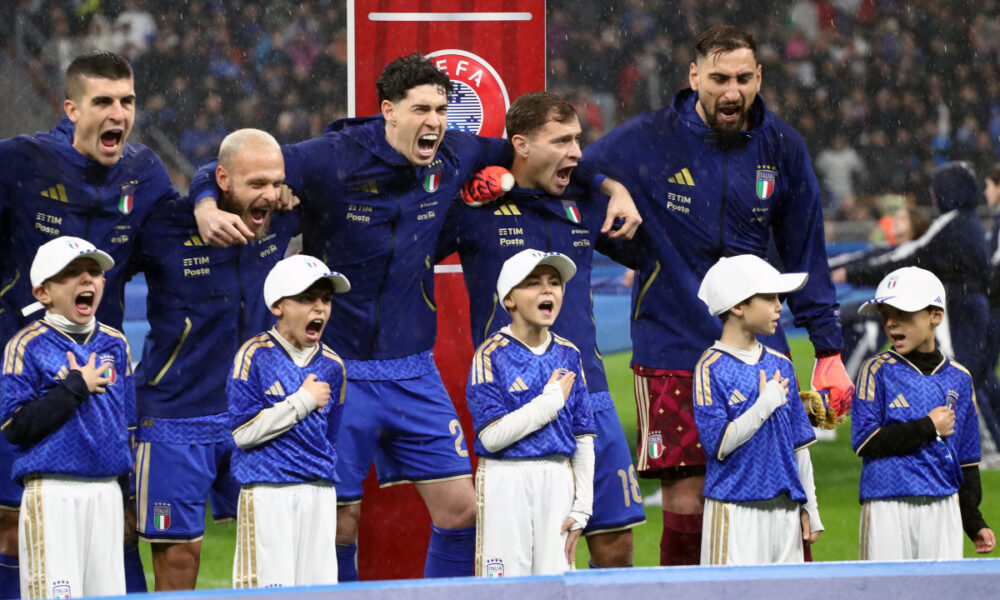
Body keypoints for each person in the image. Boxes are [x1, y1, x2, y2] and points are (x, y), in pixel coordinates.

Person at [190, 54, 639, 580]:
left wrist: (613, 186)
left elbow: (543, 153)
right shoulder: (333, 157)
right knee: (338, 521)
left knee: (463, 512)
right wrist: (204, 202)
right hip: (342, 370)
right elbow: (243, 160)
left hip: (414, 372)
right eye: (421, 109)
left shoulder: (457, 152)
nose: (434, 121)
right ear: (389, 112)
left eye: (442, 109)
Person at [581, 25, 851, 565]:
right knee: (687, 504)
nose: (732, 91)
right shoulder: (649, 137)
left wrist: (828, 350)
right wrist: (627, 221)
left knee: (778, 489)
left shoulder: (782, 146)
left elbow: (805, 253)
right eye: (720, 78)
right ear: (694, 77)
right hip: (672, 340)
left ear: (760, 77)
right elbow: (574, 175)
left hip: (758, 352)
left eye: (744, 78)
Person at [0, 49, 182, 595]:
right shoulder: (21, 162)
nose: (118, 114)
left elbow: (174, 226)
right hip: (24, 368)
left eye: (126, 101)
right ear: (71, 108)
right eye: (103, 101)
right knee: (10, 523)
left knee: (119, 522)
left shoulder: (144, 171)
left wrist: (204, 198)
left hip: (104, 371)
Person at [437, 92, 645, 568]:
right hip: (515, 400)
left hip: (588, 393)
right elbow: (412, 244)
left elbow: (600, 180)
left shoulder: (588, 202)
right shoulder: (473, 206)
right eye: (562, 140)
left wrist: (614, 187)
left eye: (578, 139)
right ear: (522, 145)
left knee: (615, 544)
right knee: (526, 554)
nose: (576, 151)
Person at [130, 129, 298, 590]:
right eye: (256, 184)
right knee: (179, 557)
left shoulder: (280, 217)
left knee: (271, 551)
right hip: (174, 417)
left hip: (254, 416)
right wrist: (202, 203)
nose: (269, 194)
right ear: (223, 179)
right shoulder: (164, 224)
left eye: (275, 182)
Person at [831, 161, 1000, 449]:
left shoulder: (953, 223)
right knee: (978, 376)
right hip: (975, 305)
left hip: (962, 308)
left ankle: (983, 447)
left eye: (937, 190)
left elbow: (910, 255)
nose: (933, 196)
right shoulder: (969, 222)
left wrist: (853, 273)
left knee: (963, 376)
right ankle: (984, 442)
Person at [0, 237, 133, 597]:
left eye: (94, 272)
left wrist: (128, 495)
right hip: (52, 492)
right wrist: (76, 386)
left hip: (106, 493)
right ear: (44, 293)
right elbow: (14, 426)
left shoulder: (116, 343)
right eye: (71, 274)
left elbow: (127, 423)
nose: (87, 280)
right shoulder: (26, 345)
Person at [852, 266, 995, 559]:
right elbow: (865, 440)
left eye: (903, 314)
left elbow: (967, 459)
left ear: (935, 316)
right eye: (886, 314)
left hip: (944, 506)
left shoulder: (960, 377)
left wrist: (973, 519)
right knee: (885, 591)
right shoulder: (875, 370)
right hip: (885, 504)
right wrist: (928, 426)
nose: (891, 323)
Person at [467, 249, 594, 576]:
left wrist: (583, 507)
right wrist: (549, 402)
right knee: (505, 592)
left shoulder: (569, 353)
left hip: (557, 481)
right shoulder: (490, 355)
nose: (548, 290)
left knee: (556, 589)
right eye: (534, 283)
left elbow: (582, 435)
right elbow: (492, 437)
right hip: (504, 481)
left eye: (554, 282)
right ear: (509, 299)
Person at [228, 255, 349, 587]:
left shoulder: (334, 366)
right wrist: (302, 401)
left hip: (319, 494)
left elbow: (329, 438)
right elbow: (242, 433)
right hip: (268, 495)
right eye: (307, 298)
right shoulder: (254, 355)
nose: (320, 308)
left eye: (326, 299)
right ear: (278, 306)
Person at [693, 255, 822, 564]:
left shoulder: (781, 364)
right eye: (770, 297)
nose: (780, 306)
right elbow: (719, 444)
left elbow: (799, 444)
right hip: (733, 511)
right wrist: (764, 405)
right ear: (738, 307)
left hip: (784, 512)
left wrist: (811, 507)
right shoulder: (710, 368)